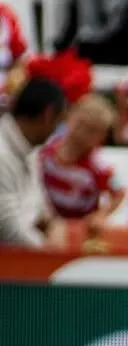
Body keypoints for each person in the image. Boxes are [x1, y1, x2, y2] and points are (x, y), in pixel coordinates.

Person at [38, 94, 124, 235]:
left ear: (101, 136)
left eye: (92, 131)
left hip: (78, 231)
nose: (82, 133)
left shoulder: (99, 166)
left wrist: (100, 215)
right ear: (70, 117)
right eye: (80, 124)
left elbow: (119, 193)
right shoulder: (46, 151)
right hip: (45, 225)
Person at [0, 78, 67, 248]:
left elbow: (39, 206)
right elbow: (8, 231)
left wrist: (53, 225)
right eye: (59, 120)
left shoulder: (31, 148)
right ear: (48, 115)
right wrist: (48, 252)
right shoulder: (3, 155)